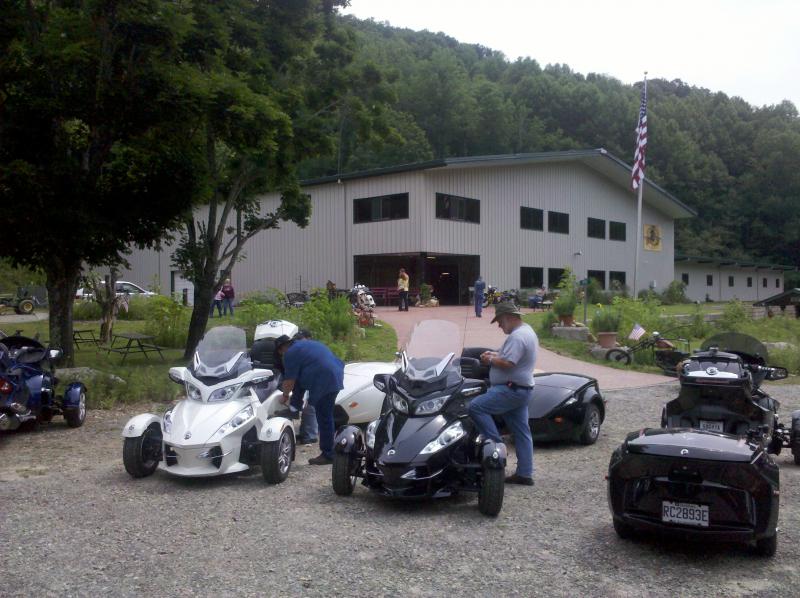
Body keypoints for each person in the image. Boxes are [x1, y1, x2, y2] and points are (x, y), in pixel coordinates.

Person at [468, 302, 538, 486]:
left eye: (499, 321)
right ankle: (524, 473)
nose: (499, 325)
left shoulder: (518, 337)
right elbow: (509, 356)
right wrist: (494, 353)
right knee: (522, 432)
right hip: (521, 389)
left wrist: (490, 360)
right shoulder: (526, 331)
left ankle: (496, 448)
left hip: (510, 389)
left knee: (476, 407)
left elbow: (509, 363)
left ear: (508, 317)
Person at [275, 335, 344, 465]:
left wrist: (285, 395)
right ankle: (294, 409)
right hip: (335, 374)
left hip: (325, 380)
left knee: (324, 417)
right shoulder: (307, 345)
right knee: (326, 415)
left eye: (280, 353)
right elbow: (298, 381)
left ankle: (328, 454)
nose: (282, 356)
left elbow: (289, 381)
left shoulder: (290, 353)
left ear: (282, 348)